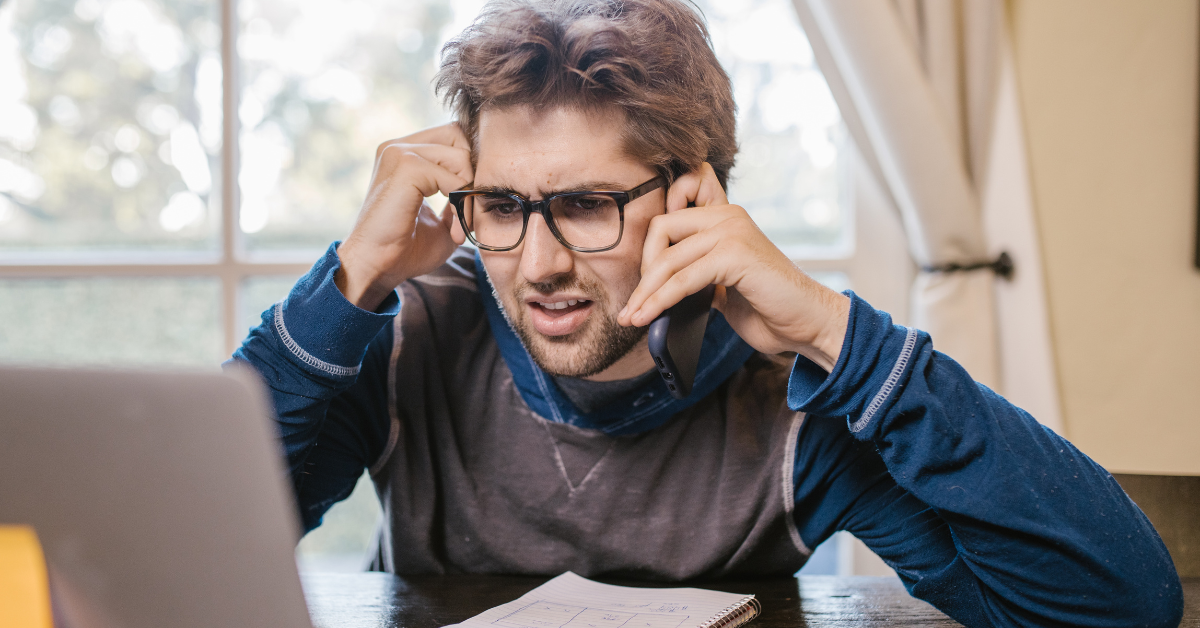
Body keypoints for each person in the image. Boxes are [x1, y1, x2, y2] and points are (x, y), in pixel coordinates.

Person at [230, 0, 1183, 625]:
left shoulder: (793, 401)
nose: (540, 265)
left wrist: (833, 333)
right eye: (505, 207)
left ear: (695, 199)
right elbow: (190, 553)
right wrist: (347, 285)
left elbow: (1115, 608)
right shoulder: (403, 340)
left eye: (588, 205)